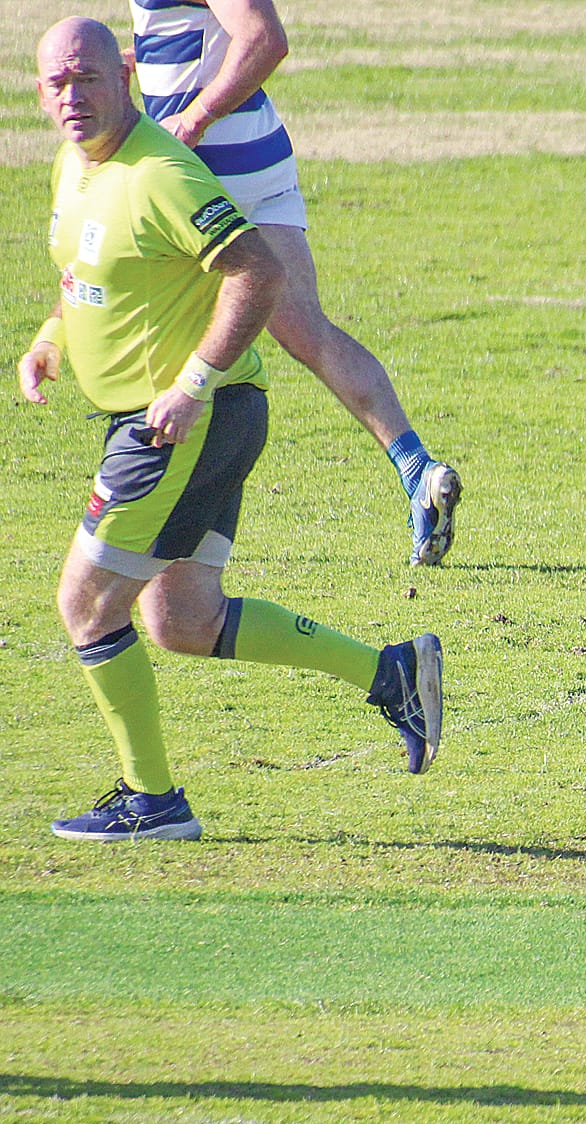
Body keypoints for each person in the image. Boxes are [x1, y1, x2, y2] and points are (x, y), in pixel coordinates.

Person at [21, 16, 444, 842]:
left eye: (87, 78)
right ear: (39, 93)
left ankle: (154, 802)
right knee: (182, 621)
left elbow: (257, 271)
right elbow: (89, 275)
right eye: (56, 83)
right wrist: (50, 339)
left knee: (85, 602)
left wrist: (191, 382)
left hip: (180, 422)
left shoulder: (160, 176)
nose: (73, 96)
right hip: (205, 416)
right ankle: (392, 672)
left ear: (127, 76)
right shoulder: (75, 167)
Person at [126, 0, 462, 567]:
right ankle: (416, 468)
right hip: (255, 153)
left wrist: (193, 119)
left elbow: (264, 37)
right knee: (309, 330)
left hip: (209, 164)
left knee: (160, 325)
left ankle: (159, 520)